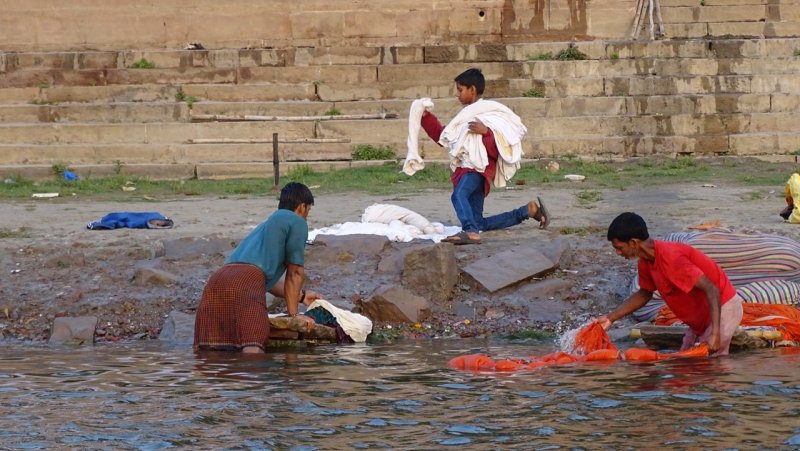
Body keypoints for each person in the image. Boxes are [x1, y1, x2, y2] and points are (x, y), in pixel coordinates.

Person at [419, 67, 549, 245]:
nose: (457, 94)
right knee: (479, 221)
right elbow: (446, 138)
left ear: (472, 90)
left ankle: (471, 233)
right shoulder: (465, 118)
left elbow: (501, 148)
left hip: (476, 171)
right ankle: (528, 211)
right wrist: (425, 118)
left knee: (458, 196)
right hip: (471, 173)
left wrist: (486, 132)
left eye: (460, 90)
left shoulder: (489, 116)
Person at [194, 182, 319, 353]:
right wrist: (294, 315)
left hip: (217, 281)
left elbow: (262, 278)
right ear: (302, 207)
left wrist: (301, 296)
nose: (306, 216)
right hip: (246, 282)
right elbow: (295, 272)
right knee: (253, 345)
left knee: (213, 349)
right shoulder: (297, 222)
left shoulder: (266, 225)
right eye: (308, 211)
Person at [595, 212, 744, 356]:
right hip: (701, 319)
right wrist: (610, 318)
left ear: (633, 242)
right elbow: (644, 294)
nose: (618, 253)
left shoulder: (671, 258)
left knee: (712, 362)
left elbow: (712, 289)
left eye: (620, 248)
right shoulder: (645, 262)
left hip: (724, 308)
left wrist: (715, 334)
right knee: (686, 360)